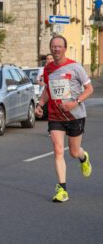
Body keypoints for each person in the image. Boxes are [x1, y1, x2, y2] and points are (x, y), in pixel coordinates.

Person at [35, 35, 94, 203]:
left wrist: (75, 103)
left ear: (65, 48)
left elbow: (89, 89)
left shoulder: (76, 67)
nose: (56, 49)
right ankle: (62, 189)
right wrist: (40, 104)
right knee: (58, 150)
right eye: (53, 46)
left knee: (74, 152)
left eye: (59, 46)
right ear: (51, 48)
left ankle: (84, 157)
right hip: (55, 116)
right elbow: (47, 89)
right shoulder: (48, 69)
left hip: (75, 115)